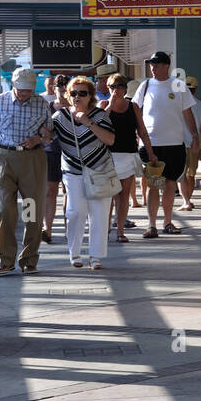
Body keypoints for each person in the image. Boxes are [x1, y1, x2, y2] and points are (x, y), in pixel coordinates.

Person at [0, 66, 53, 276]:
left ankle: (29, 259)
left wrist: (40, 138)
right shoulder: (0, 102)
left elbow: (49, 135)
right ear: (13, 85)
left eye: (29, 89)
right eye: (21, 89)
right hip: (5, 158)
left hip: (33, 160)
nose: (25, 93)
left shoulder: (41, 103)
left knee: (31, 209)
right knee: (5, 210)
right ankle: (5, 259)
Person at [130, 52, 199, 238]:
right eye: (151, 64)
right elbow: (135, 109)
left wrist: (194, 135)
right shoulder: (144, 86)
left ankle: (167, 222)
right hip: (152, 144)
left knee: (170, 184)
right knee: (153, 184)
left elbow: (187, 113)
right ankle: (151, 225)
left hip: (175, 143)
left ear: (166, 66)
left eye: (157, 64)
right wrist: (137, 133)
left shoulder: (178, 85)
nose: (153, 67)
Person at [52, 77, 116, 270]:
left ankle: (95, 256)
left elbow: (110, 140)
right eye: (73, 93)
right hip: (72, 171)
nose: (78, 96)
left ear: (90, 96)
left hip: (99, 170)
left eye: (83, 93)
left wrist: (87, 122)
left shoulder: (100, 116)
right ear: (68, 95)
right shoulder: (60, 117)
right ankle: (75, 253)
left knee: (99, 213)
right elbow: (48, 137)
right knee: (75, 212)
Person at [104, 73, 154, 243]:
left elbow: (142, 130)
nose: (116, 90)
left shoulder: (133, 107)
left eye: (119, 86)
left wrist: (150, 152)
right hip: (108, 156)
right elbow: (97, 123)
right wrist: (110, 105)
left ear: (125, 89)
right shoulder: (104, 105)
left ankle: (119, 230)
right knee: (108, 195)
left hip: (128, 154)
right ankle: (105, 229)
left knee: (123, 195)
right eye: (112, 87)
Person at [40, 74, 69, 244]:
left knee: (69, 193)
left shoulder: (75, 107)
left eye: (65, 86)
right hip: (50, 153)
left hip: (70, 154)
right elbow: (41, 129)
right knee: (50, 191)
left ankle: (68, 229)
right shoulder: (48, 107)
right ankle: (47, 229)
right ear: (54, 88)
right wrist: (46, 136)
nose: (62, 89)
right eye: (59, 86)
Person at [178, 76, 201, 210]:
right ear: (195, 89)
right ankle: (188, 200)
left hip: (178, 142)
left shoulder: (177, 104)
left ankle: (186, 201)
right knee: (191, 174)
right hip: (194, 144)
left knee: (181, 174)